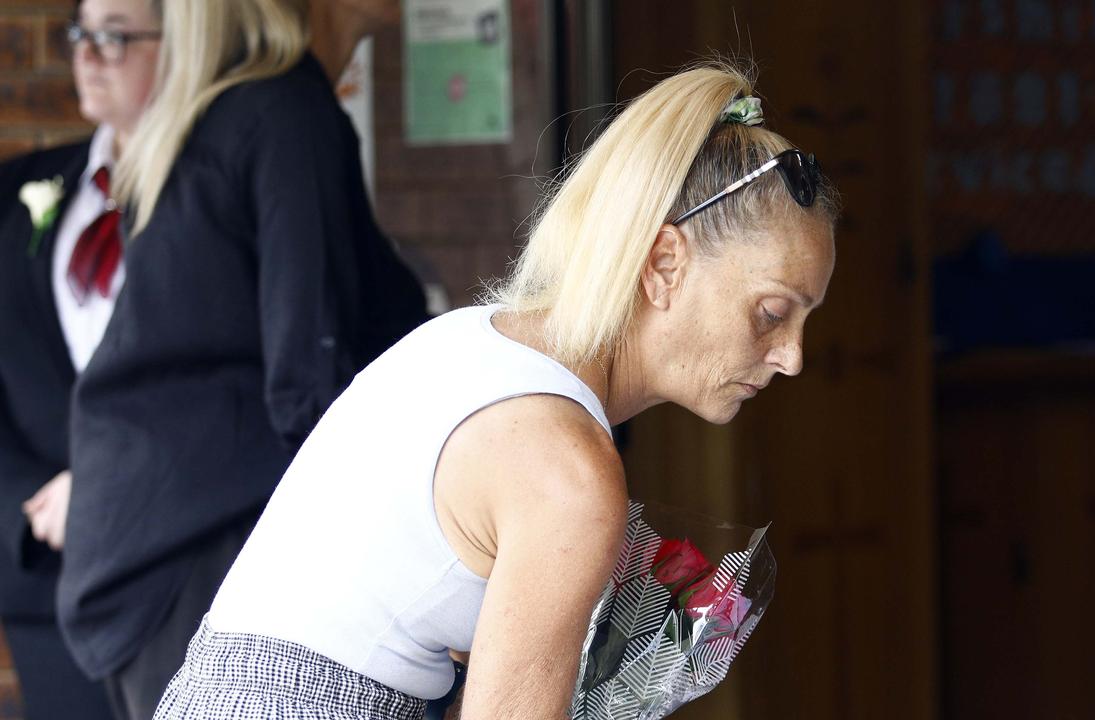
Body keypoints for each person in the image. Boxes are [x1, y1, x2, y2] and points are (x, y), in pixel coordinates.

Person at [155, 62, 840, 720]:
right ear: (664, 264)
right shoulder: (565, 468)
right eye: (772, 313)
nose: (792, 359)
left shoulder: (470, 342)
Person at [57, 0, 428, 717]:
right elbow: (308, 384)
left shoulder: (228, 112)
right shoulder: (285, 114)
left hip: (150, 548)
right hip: (197, 554)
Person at [0, 0, 160, 717]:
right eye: (81, 35)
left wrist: (109, 479)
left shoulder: (227, 195)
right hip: (49, 590)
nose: (89, 55)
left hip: (178, 576)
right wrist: (22, 511)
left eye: (116, 35)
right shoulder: (19, 190)